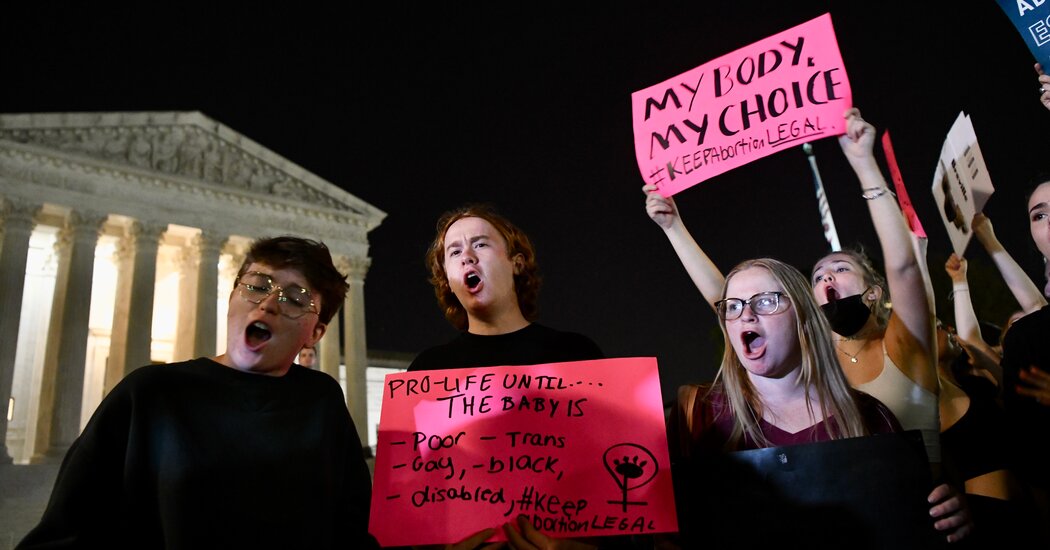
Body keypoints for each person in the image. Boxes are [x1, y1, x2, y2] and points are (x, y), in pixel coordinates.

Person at [18, 236, 377, 549]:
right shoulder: (150, 394)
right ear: (233, 295)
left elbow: (352, 527)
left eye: (295, 299)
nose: (268, 303)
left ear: (315, 334)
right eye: (257, 284)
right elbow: (67, 533)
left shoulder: (321, 399)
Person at [667, 258, 969, 546]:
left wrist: (947, 516)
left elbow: (905, 520)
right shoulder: (700, 415)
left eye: (765, 301)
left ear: (804, 315)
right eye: (733, 306)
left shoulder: (870, 415)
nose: (746, 315)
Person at [409, 204, 607, 549]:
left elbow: (613, 482)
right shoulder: (428, 371)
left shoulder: (576, 354)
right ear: (447, 278)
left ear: (516, 263)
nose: (467, 256)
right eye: (454, 251)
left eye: (481, 244)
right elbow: (415, 500)